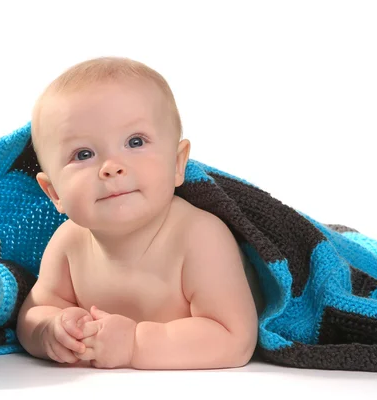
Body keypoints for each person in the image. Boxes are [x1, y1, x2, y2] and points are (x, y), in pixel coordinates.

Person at [16, 56, 262, 370]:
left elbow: (234, 338)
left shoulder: (200, 237)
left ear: (177, 164)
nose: (111, 167)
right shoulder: (68, 244)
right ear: (54, 194)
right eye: (83, 154)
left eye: (135, 141)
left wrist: (135, 343)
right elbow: (37, 309)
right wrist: (50, 330)